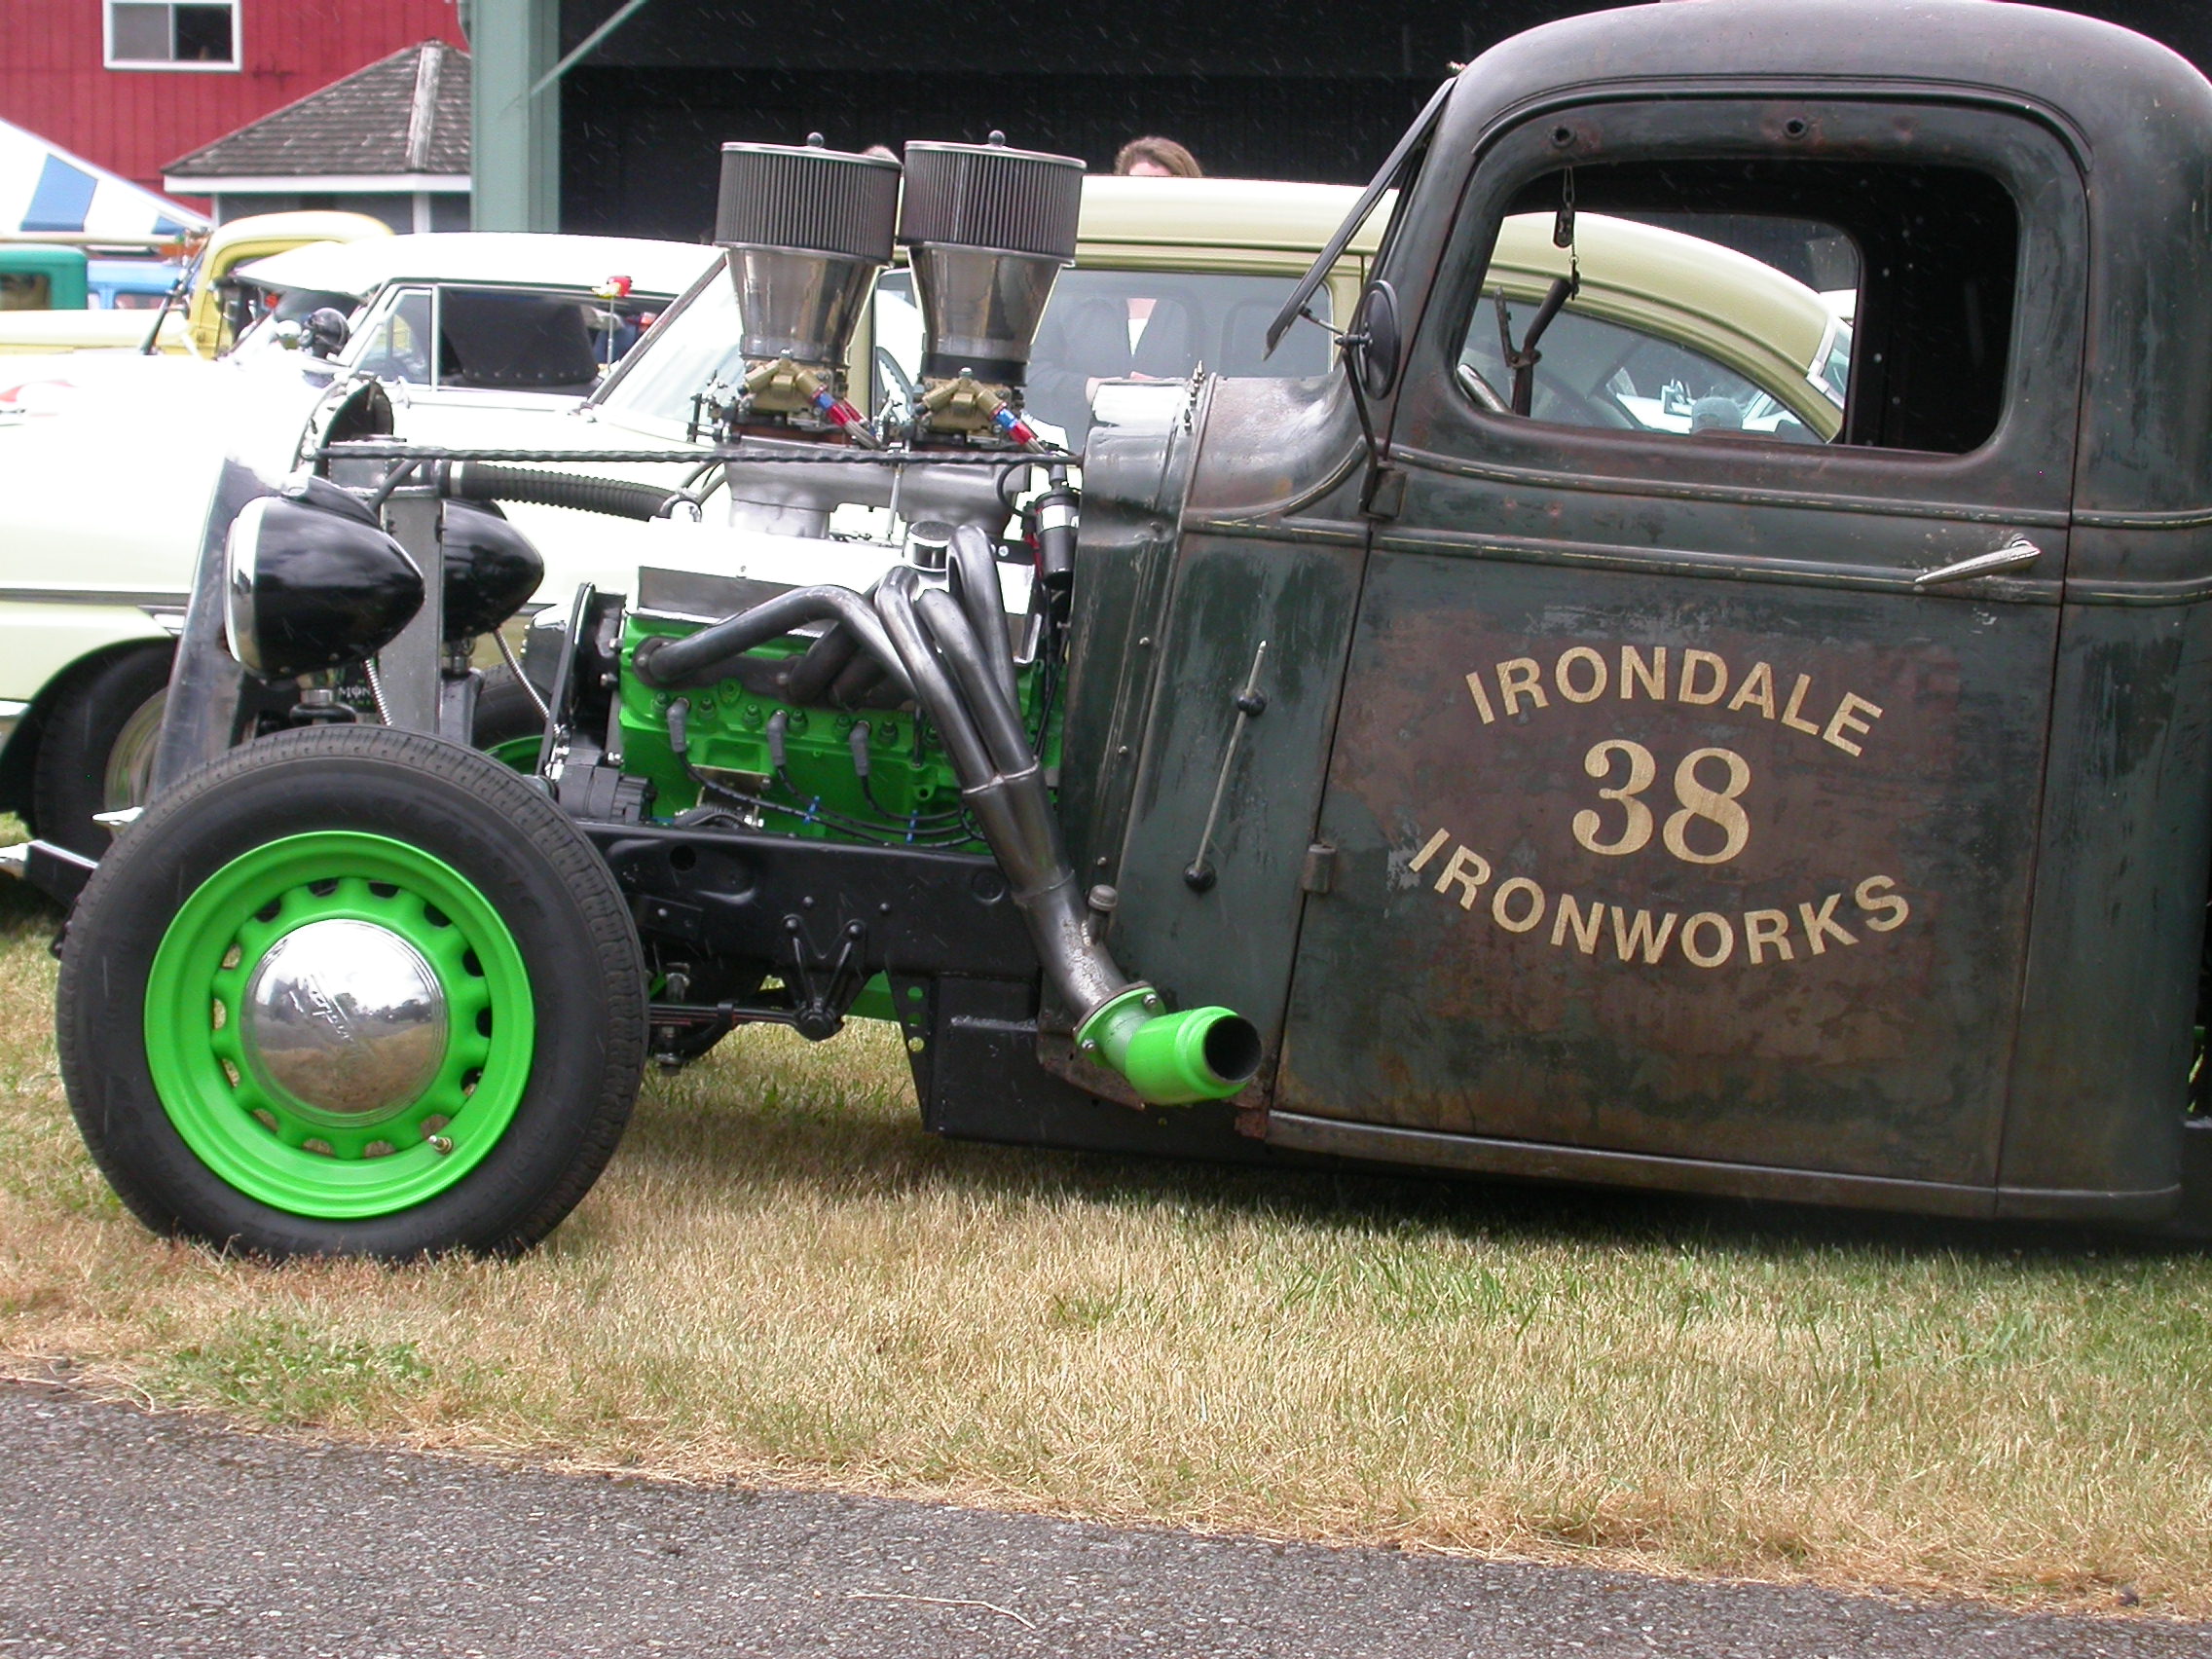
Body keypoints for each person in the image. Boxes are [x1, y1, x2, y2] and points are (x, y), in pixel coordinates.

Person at [1024, 137, 1205, 441]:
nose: (1149, 207)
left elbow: (1244, 384)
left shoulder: (1211, 283)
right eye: (1138, 194)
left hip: (1192, 471)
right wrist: (1092, 389)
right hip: (1087, 469)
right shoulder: (1078, 284)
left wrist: (1175, 395)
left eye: (1162, 193)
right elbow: (1030, 379)